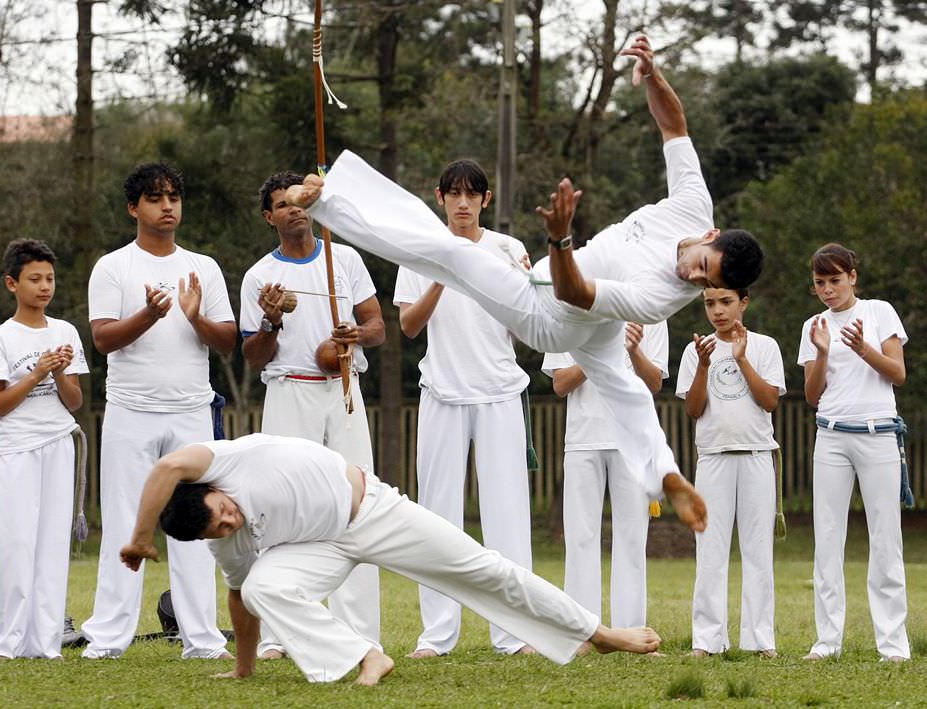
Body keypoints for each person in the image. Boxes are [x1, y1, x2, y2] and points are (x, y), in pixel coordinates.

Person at [287, 35, 763, 520]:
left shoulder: (662, 298)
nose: (691, 275)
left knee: (450, 250)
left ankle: (330, 200)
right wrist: (653, 76)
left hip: (555, 314)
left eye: (703, 282)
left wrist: (559, 240)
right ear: (711, 233)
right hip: (595, 321)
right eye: (702, 263)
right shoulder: (692, 203)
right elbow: (674, 125)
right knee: (626, 391)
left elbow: (571, 291)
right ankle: (665, 473)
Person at [118, 434, 664, 685]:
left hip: (373, 511)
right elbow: (240, 598)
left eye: (224, 512)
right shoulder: (221, 540)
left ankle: (597, 632)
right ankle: (365, 656)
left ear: (211, 487)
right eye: (219, 528)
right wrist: (243, 669)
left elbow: (166, 466)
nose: (230, 523)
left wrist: (140, 538)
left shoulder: (221, 459)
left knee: (484, 569)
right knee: (259, 587)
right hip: (319, 548)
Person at [81, 163, 237, 660]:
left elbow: (229, 343)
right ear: (134, 208)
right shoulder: (113, 267)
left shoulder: (204, 267)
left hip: (191, 410)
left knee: (195, 522)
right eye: (154, 198)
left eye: (173, 196)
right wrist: (149, 314)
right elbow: (103, 340)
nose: (167, 206)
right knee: (127, 522)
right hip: (130, 411)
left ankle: (203, 641)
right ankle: (108, 638)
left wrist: (195, 317)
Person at [239, 170, 385, 658]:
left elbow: (378, 327)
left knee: (358, 502)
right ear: (269, 217)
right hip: (289, 392)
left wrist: (354, 337)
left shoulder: (344, 259)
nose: (292, 210)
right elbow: (254, 356)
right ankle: (280, 634)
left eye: (297, 201)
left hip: (343, 389)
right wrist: (271, 320)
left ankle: (360, 630)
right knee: (282, 506)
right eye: (281, 205)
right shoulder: (260, 276)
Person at [394, 158, 534, 658]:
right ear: (439, 197)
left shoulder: (508, 249)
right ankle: (436, 636)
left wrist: (516, 285)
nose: (462, 203)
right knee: (437, 517)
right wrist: (441, 271)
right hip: (441, 393)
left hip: (499, 393)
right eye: (453, 193)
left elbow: (528, 328)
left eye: (471, 194)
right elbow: (409, 327)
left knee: (508, 516)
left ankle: (515, 634)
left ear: (485, 200)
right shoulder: (422, 250)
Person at [798, 243, 910, 662]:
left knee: (886, 538)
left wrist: (864, 349)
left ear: (852, 277)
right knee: (827, 539)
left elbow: (898, 373)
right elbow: (812, 395)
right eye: (820, 282)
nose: (828, 290)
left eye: (835, 280)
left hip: (878, 433)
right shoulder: (814, 325)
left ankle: (894, 644)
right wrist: (823, 354)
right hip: (830, 437)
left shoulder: (880, 311)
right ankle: (827, 642)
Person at [0, 239, 89, 659]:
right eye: (34, 279)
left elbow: (75, 401)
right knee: (16, 541)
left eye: (50, 279)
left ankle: (45, 643)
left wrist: (60, 374)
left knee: (51, 544)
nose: (45, 287)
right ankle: (7, 643)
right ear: (12, 283)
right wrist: (36, 372)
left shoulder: (65, 331)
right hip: (18, 447)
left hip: (58, 442)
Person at [676, 288, 784, 658]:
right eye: (710, 304)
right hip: (713, 458)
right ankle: (707, 640)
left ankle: (759, 640)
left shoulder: (765, 346)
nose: (718, 311)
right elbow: (693, 409)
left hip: (756, 455)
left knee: (757, 549)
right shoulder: (696, 351)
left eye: (726, 302)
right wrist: (705, 366)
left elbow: (769, 401)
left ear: (744, 302)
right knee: (710, 550)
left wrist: (742, 360)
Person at [543, 321, 667, 632]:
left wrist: (633, 350)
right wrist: (600, 349)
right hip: (583, 439)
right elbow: (560, 384)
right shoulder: (566, 312)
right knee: (581, 536)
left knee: (631, 538)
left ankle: (631, 628)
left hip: (632, 438)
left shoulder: (648, 312)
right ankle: (582, 630)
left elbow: (654, 383)